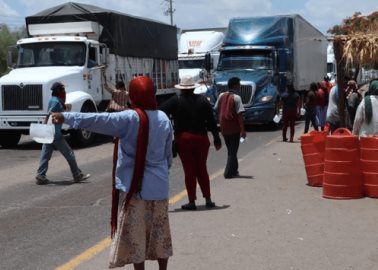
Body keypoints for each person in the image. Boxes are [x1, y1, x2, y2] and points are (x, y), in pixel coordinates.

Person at [51, 76, 173, 270]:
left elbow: (99, 120)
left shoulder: (130, 118)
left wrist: (66, 116)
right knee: (160, 234)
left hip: (135, 187)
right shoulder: (163, 118)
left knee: (136, 237)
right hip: (159, 186)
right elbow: (168, 156)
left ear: (133, 95)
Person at [159, 74, 222, 210]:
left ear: (181, 89)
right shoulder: (203, 100)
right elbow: (211, 121)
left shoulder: (176, 100)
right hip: (202, 138)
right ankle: (208, 199)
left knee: (190, 171)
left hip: (184, 138)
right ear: (193, 88)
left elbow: (160, 111)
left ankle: (192, 201)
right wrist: (217, 138)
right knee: (202, 169)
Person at [35, 82, 90, 185]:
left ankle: (41, 175)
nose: (65, 92)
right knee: (70, 154)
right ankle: (77, 175)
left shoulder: (53, 100)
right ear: (59, 91)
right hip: (55, 134)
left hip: (49, 132)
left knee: (45, 155)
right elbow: (50, 114)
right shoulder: (56, 101)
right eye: (63, 89)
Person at [214, 77, 246, 179]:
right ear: (235, 85)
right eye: (239, 84)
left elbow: (216, 108)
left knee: (231, 150)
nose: (240, 86)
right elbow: (240, 115)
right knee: (232, 151)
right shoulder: (237, 98)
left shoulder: (221, 95)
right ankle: (227, 173)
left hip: (224, 128)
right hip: (234, 129)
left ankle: (234, 170)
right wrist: (243, 130)